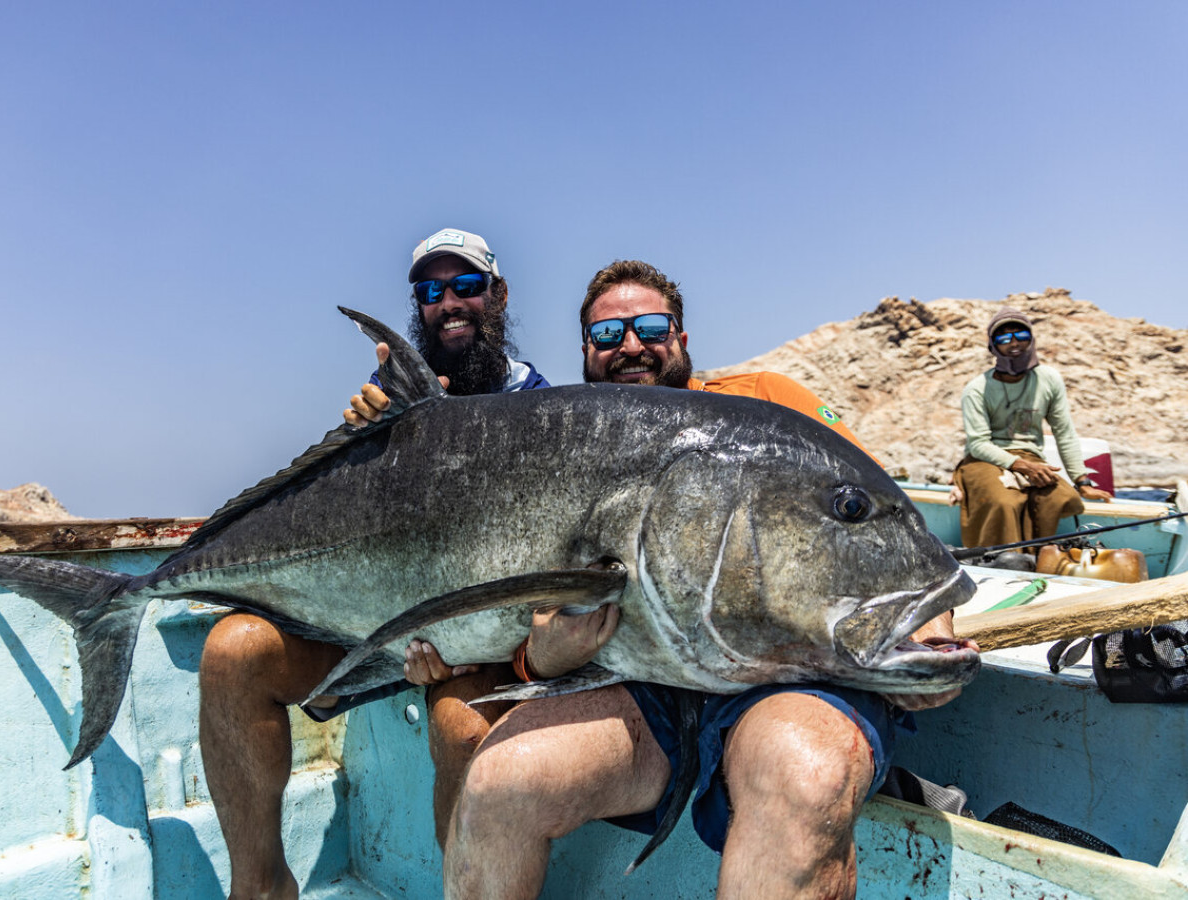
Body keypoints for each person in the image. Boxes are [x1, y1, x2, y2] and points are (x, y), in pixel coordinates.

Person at [365, 260, 974, 899]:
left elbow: (878, 520)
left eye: (651, 327)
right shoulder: (572, 443)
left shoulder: (767, 401)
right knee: (499, 780)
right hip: (648, 687)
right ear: (585, 352)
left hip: (790, 676)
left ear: (681, 337)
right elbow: (530, 623)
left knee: (800, 774)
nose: (630, 345)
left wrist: (930, 630)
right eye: (607, 335)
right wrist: (540, 660)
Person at [199, 227, 548, 900]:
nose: (449, 304)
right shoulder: (390, 398)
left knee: (464, 730)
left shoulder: (543, 407)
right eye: (430, 292)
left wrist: (471, 644)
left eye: (466, 286)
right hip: (369, 624)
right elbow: (341, 517)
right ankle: (260, 887)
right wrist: (362, 436)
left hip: (474, 645)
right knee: (232, 653)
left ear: (499, 295)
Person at [951, 308, 1111, 549]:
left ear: (1032, 340)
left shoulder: (1049, 379)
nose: (1014, 343)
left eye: (1021, 335)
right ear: (993, 346)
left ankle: (1036, 555)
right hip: (985, 459)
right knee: (1004, 502)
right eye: (1004, 338)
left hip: (1030, 456)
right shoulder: (977, 389)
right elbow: (978, 444)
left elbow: (1064, 432)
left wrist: (1082, 481)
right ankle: (999, 558)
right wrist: (1021, 466)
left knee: (1062, 497)